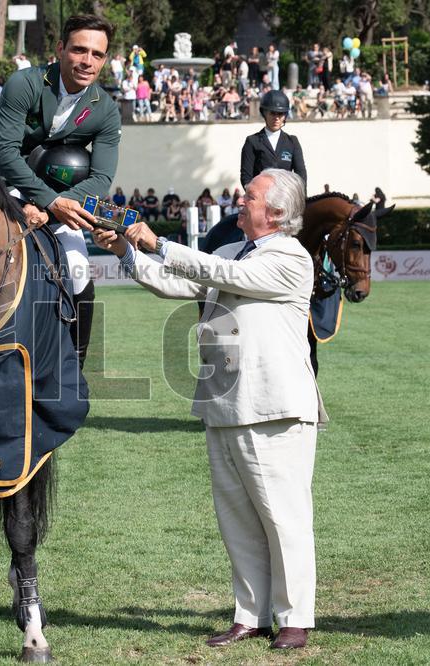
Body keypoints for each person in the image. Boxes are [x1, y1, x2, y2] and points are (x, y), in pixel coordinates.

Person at [92, 168, 325, 650]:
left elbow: (226, 276)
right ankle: (251, 614)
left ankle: (296, 618)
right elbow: (174, 284)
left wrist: (158, 243)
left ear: (277, 213)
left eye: (251, 197)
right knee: (236, 517)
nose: (241, 201)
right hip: (224, 402)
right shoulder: (230, 250)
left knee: (284, 517)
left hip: (274, 408)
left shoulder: (291, 258)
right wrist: (124, 251)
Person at [0, 13, 120, 369]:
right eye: (79, 50)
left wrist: (51, 207)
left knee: (78, 274)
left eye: (97, 54)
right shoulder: (23, 83)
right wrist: (47, 201)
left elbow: (101, 179)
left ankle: (73, 372)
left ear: (104, 59)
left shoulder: (105, 109)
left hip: (58, 207)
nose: (87, 61)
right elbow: (5, 153)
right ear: (60, 49)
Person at [240, 89, 307, 190]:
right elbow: (246, 177)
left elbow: (301, 175)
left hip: (286, 197)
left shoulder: (292, 142)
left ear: (285, 116)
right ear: (264, 113)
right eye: (272, 113)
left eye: (280, 114)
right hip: (262, 197)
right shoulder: (252, 141)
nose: (276, 118)